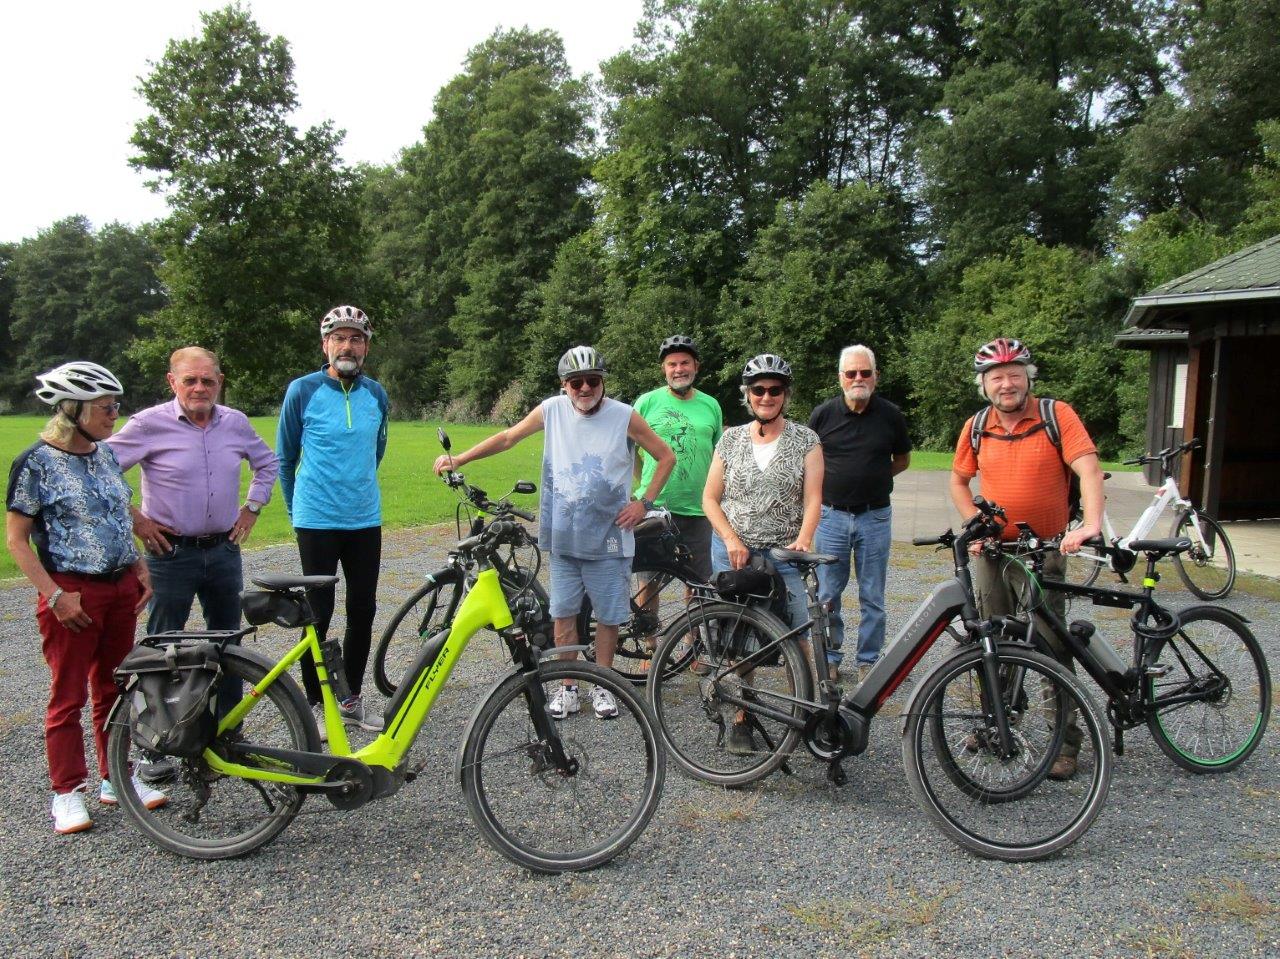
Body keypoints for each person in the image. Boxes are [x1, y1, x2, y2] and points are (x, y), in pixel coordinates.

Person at [432, 346, 675, 720]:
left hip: (610, 537)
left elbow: (666, 456)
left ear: (602, 382)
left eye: (592, 380)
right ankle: (568, 687)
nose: (585, 388)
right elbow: (508, 437)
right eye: (576, 382)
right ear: (564, 385)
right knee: (563, 614)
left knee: (609, 617)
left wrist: (643, 502)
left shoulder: (624, 415)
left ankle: (603, 684)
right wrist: (460, 458)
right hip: (564, 536)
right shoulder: (552, 410)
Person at [6, 362, 167, 835]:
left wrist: (138, 565)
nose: (114, 414)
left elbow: (116, 509)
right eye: (105, 407)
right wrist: (55, 596)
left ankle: (116, 777)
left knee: (115, 688)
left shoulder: (104, 455)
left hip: (119, 588)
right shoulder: (36, 463)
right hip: (72, 592)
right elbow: (16, 540)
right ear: (71, 409)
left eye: (116, 406)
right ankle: (67, 791)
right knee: (68, 694)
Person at [949, 337, 1104, 780]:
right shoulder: (977, 426)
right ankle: (997, 723)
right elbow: (959, 482)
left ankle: (1064, 743)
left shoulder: (1057, 416)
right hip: (993, 551)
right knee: (990, 639)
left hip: (1043, 552)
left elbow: (1089, 469)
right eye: (996, 377)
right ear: (984, 385)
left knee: (1051, 646)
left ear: (1028, 378)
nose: (1007, 384)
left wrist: (1090, 524)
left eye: (1014, 374)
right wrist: (974, 524)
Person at [107, 347, 278, 723]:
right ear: (172, 382)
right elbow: (101, 470)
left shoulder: (235, 423)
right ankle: (160, 734)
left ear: (220, 382)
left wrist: (252, 507)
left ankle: (227, 727)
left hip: (223, 550)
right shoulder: (149, 424)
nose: (200, 388)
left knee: (229, 644)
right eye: (190, 380)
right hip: (170, 554)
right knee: (164, 645)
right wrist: (137, 520)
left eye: (207, 380)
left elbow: (267, 463)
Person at [277, 306, 389, 736]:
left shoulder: (376, 394)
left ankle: (351, 699)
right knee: (317, 614)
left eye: (356, 339)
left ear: (366, 347)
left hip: (364, 519)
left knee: (362, 610)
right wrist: (297, 512)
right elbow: (286, 457)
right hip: (317, 521)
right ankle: (317, 702)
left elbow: (375, 452)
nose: (348, 346)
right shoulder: (302, 390)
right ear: (325, 345)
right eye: (339, 338)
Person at [703, 353, 823, 753]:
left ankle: (807, 712)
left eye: (775, 390)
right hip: (735, 553)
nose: (767, 396)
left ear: (786, 394)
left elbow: (813, 498)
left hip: (783, 553)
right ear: (748, 394)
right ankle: (742, 715)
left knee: (798, 635)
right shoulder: (731, 439)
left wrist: (804, 539)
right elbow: (710, 498)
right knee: (737, 639)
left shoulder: (806, 440)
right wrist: (730, 538)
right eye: (759, 390)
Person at [808, 345, 911, 684]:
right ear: (841, 377)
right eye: (851, 373)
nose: (858, 379)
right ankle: (830, 658)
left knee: (873, 595)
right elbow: (810, 463)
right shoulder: (823, 415)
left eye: (865, 373)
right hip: (831, 517)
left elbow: (902, 460)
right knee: (827, 594)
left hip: (875, 517)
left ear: (875, 376)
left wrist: (873, 478)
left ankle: (869, 660)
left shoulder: (891, 415)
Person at [632, 335, 723, 583]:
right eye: (672, 364)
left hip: (699, 508)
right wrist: (644, 481)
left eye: (685, 363)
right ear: (664, 369)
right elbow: (628, 450)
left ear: (696, 366)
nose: (679, 369)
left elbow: (719, 456)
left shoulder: (711, 405)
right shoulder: (647, 402)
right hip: (656, 507)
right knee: (649, 582)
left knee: (698, 582)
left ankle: (692, 612)